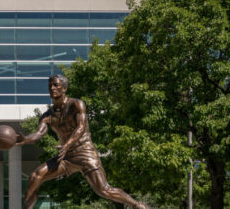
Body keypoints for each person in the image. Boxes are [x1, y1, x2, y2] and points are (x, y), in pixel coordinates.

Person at [15, 75, 148, 209]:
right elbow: (39, 134)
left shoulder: (76, 104)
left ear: (64, 88)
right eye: (50, 85)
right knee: (35, 176)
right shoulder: (47, 116)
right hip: (66, 158)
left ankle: (137, 205)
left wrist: (67, 145)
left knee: (104, 190)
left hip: (85, 152)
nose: (52, 88)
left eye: (55, 85)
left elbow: (81, 127)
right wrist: (26, 139)